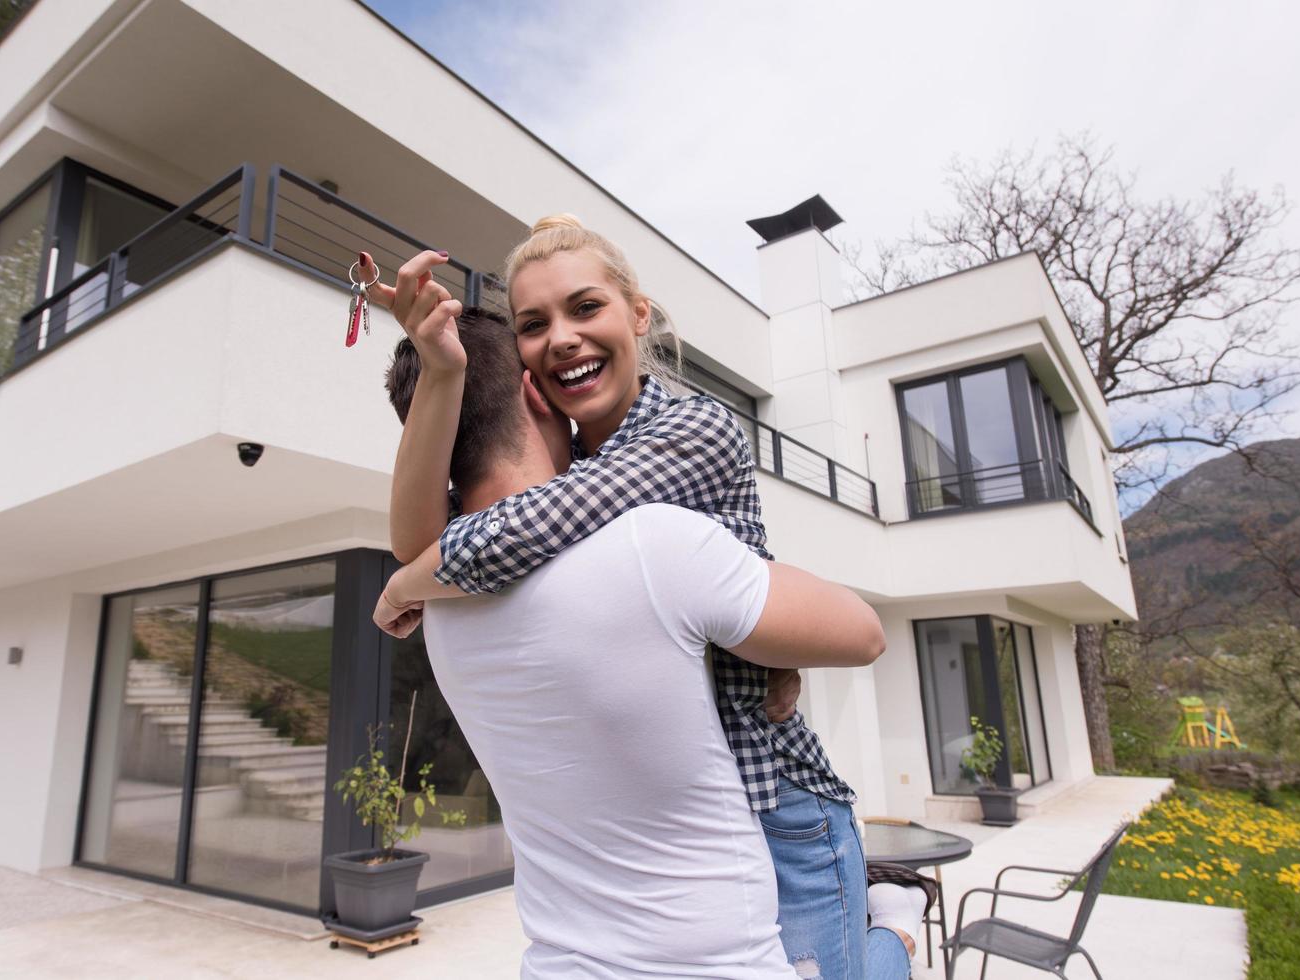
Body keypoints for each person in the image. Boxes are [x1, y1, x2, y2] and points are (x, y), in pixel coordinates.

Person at [364, 217, 932, 978]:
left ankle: (895, 921)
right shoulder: (575, 460)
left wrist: (407, 583)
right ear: (530, 380)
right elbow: (433, 528)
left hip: (770, 786)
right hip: (703, 800)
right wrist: (441, 371)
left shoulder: (689, 431)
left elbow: (534, 524)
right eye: (533, 324)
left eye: (585, 308)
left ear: (638, 313)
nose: (561, 336)